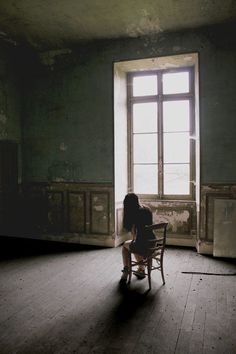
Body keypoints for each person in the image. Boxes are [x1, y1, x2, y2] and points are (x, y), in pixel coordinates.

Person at [120, 193, 155, 282]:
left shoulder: (134, 213)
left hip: (143, 244)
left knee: (126, 246)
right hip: (152, 242)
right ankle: (141, 268)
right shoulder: (147, 209)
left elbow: (134, 234)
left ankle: (126, 271)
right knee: (134, 243)